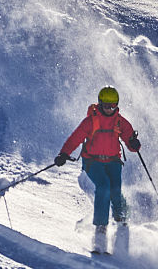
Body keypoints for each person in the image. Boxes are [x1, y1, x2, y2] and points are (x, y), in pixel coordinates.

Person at [53, 86, 141, 254]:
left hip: (113, 161)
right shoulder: (91, 121)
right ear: (100, 103)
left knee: (115, 190)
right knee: (103, 187)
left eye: (113, 106)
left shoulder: (120, 121)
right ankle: (100, 231)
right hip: (93, 161)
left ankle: (122, 224)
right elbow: (75, 138)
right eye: (106, 105)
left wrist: (134, 144)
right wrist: (64, 154)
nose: (109, 109)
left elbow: (130, 141)